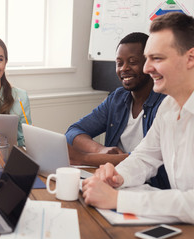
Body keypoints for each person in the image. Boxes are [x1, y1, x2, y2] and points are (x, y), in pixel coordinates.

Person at [82, 12, 194, 224]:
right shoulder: (168, 106)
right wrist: (117, 176)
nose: (146, 68)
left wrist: (118, 199)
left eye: (157, 58)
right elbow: (144, 157)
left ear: (190, 58)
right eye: (147, 58)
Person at [65, 32, 169, 189]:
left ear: (148, 65)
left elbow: (147, 160)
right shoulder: (118, 99)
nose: (124, 69)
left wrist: (83, 157)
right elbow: (73, 132)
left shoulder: (165, 104)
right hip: (116, 179)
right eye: (119, 63)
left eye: (133, 62)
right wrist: (101, 150)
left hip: (150, 187)